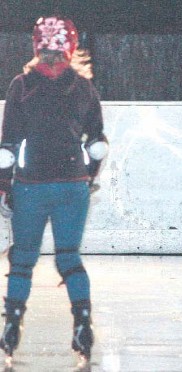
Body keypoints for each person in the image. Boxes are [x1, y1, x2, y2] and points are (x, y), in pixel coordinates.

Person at [0, 15, 107, 361]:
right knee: (69, 258)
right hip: (72, 185)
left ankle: (12, 325)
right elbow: (98, 144)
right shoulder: (85, 88)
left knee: (24, 259)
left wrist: (4, 187)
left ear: (37, 45)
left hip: (32, 186)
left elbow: (7, 147)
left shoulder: (21, 85)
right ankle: (82, 323)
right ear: (70, 47)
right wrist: (89, 176)